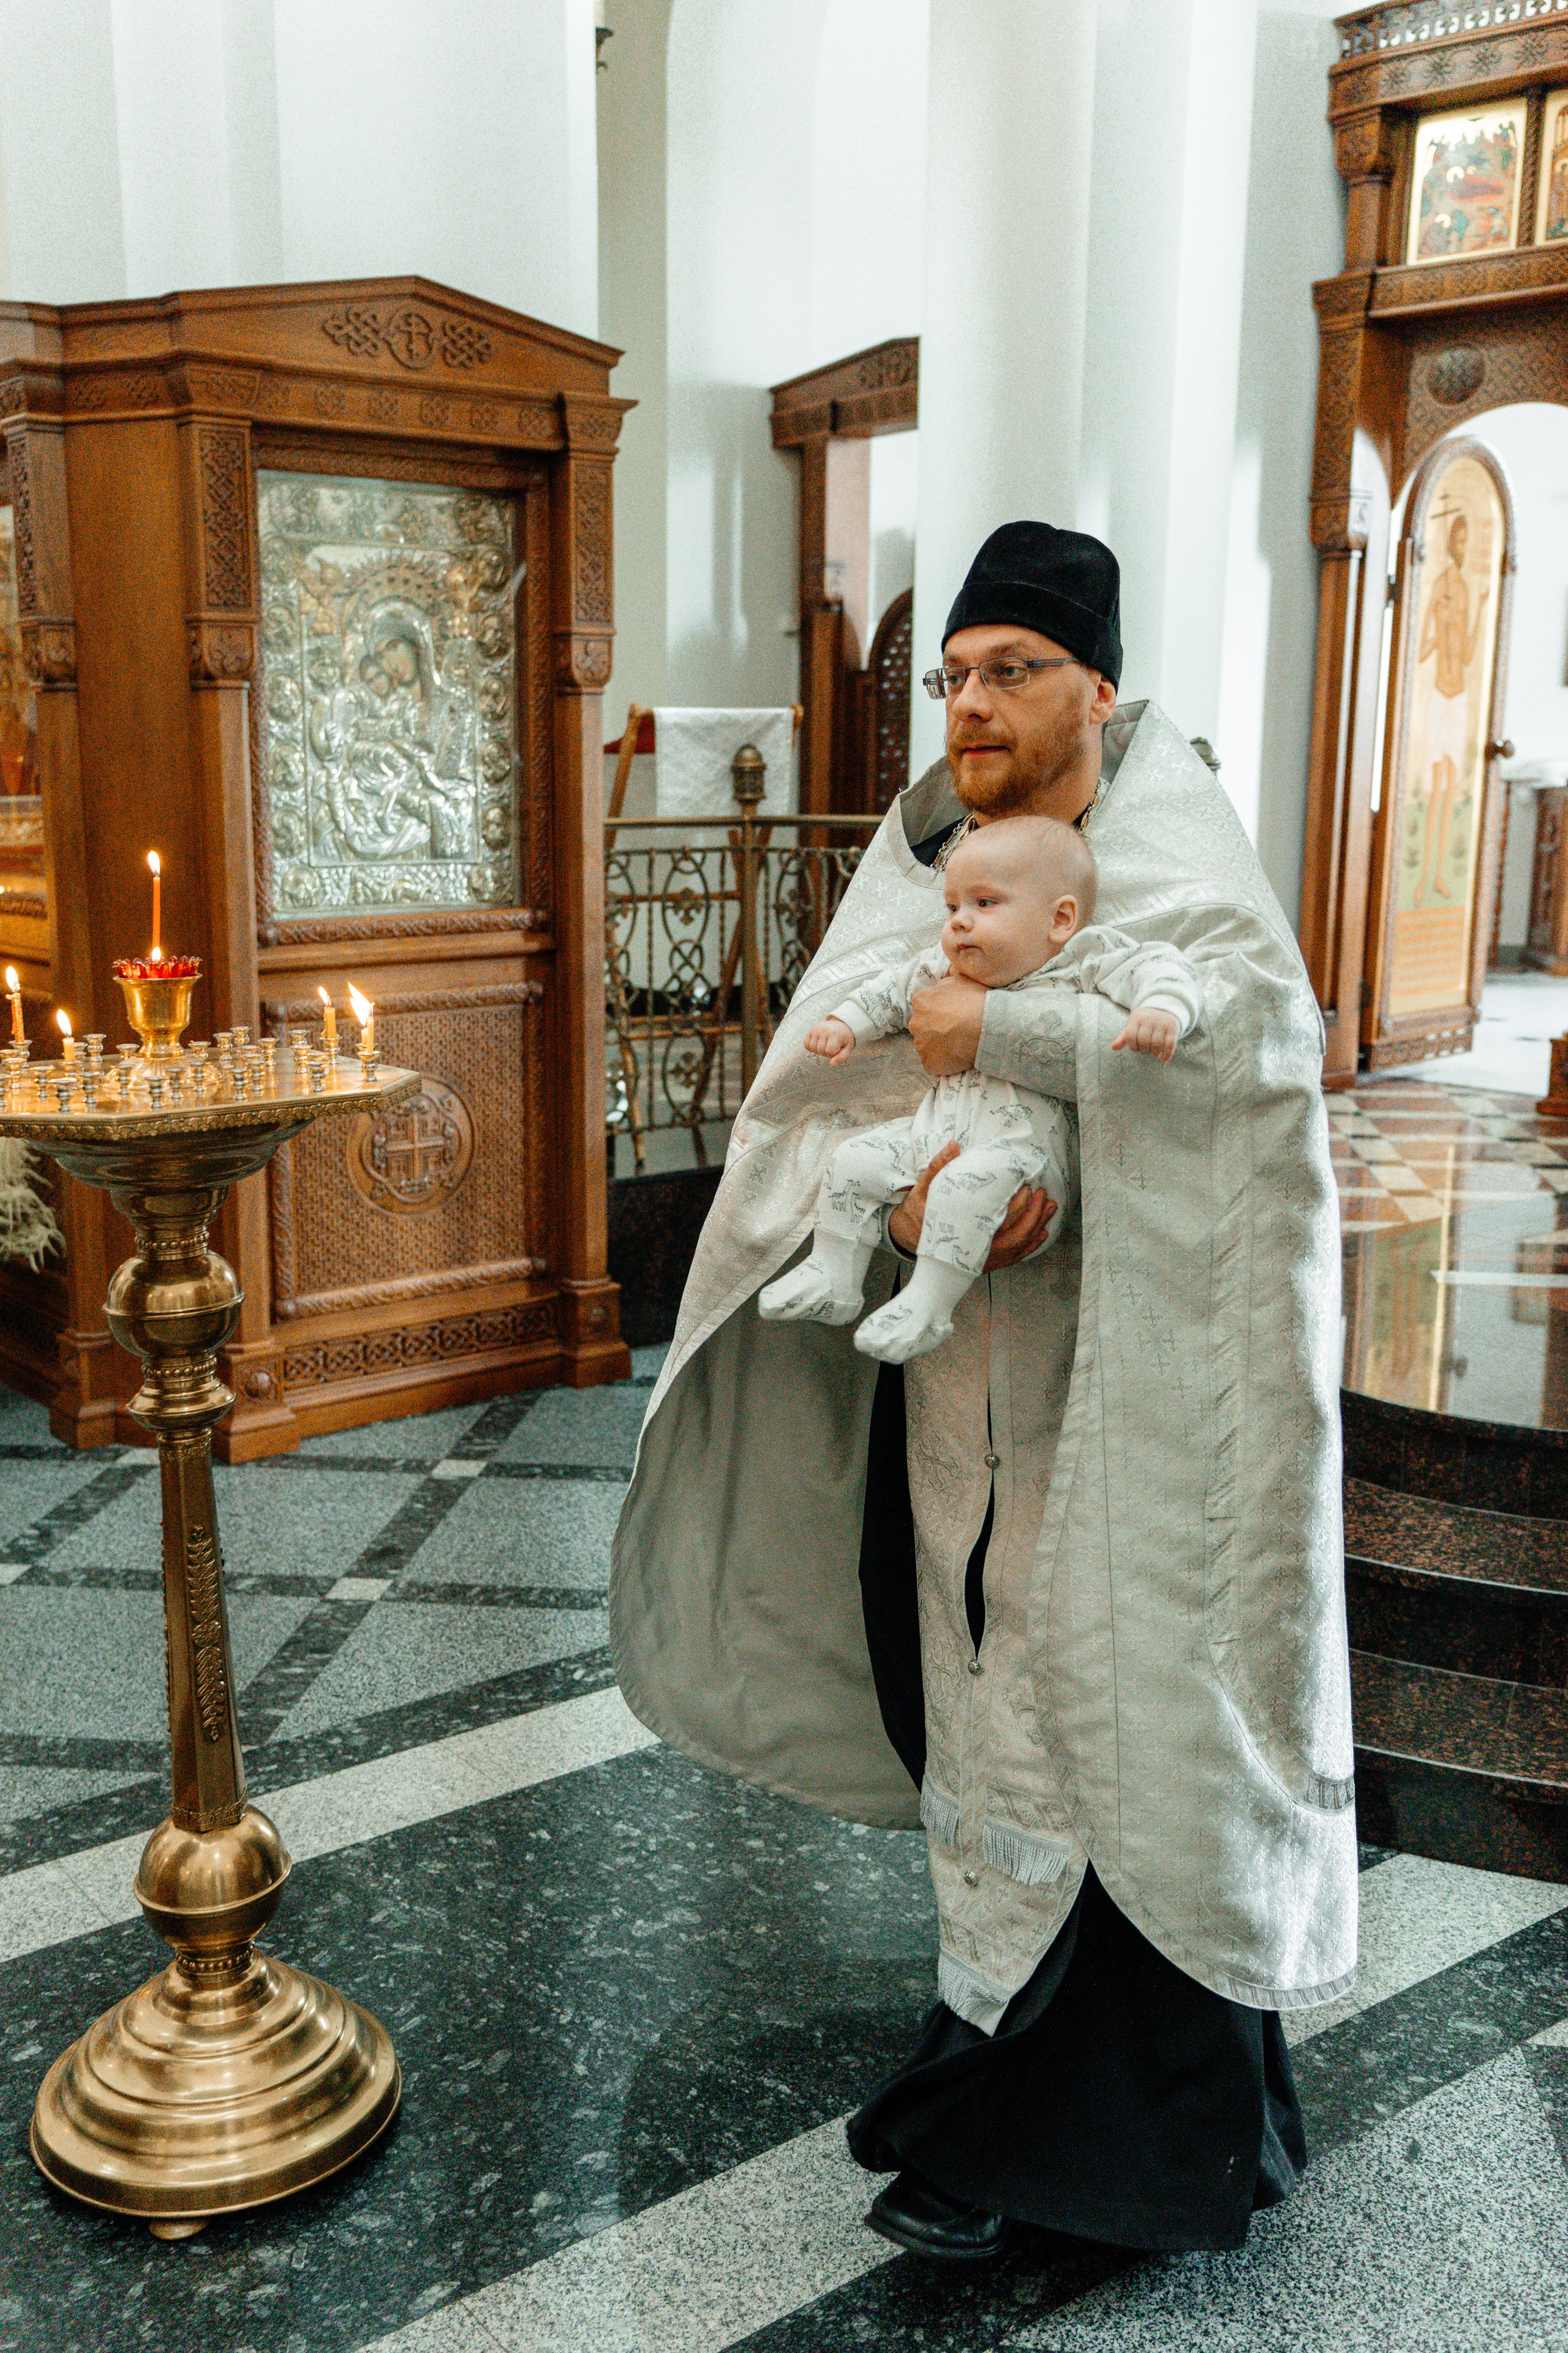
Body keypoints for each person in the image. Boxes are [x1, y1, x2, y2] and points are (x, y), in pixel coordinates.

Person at [611, 519, 1356, 2262]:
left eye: (1012, 668)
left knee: (1117, 1719)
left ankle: (1112, 2146)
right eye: (954, 673)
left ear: (1100, 682)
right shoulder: (929, 848)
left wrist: (1002, 1054)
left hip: (1132, 1400)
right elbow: (849, 1053)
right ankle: (985, 2064)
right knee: (987, 1706)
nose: (973, 702)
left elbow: (1246, 1082)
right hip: (959, 1384)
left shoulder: (1177, 851)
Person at [757, 812, 1200, 1363]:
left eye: (984, 904)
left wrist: (1163, 1007)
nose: (960, 922)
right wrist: (846, 1023)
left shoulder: (1078, 960)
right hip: (933, 1143)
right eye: (952, 907)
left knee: (962, 1186)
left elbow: (1157, 964)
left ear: (1060, 919)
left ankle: (930, 1303)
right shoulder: (944, 968)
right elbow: (889, 991)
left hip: (1025, 1165)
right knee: (854, 1159)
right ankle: (834, 1274)